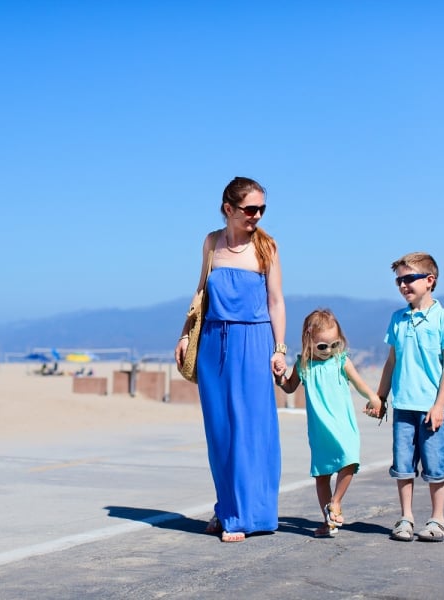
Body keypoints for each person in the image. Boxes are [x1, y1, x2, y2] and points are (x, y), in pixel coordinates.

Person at [174, 176, 287, 543]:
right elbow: (201, 291)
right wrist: (186, 333)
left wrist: (279, 348)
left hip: (253, 341)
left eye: (261, 209)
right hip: (212, 342)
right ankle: (227, 508)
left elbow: (276, 301)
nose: (257, 215)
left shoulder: (267, 246)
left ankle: (248, 514)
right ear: (228, 209)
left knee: (252, 429)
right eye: (250, 209)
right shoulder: (211, 243)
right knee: (221, 431)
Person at [275, 309, 383, 537]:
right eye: (323, 347)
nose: (329, 351)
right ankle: (329, 520)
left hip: (344, 424)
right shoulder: (304, 365)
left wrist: (373, 398)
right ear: (308, 341)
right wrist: (279, 377)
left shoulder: (341, 361)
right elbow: (289, 387)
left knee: (350, 460)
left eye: (335, 345)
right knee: (322, 475)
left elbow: (359, 384)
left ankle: (335, 502)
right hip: (320, 429)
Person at [376, 252, 444, 542]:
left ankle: (438, 519)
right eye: (399, 280)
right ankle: (406, 518)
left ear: (429, 280)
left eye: (409, 279)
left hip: (431, 408)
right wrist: (381, 397)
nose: (402, 285)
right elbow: (391, 361)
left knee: (435, 466)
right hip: (403, 406)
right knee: (403, 466)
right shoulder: (397, 319)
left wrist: (438, 406)